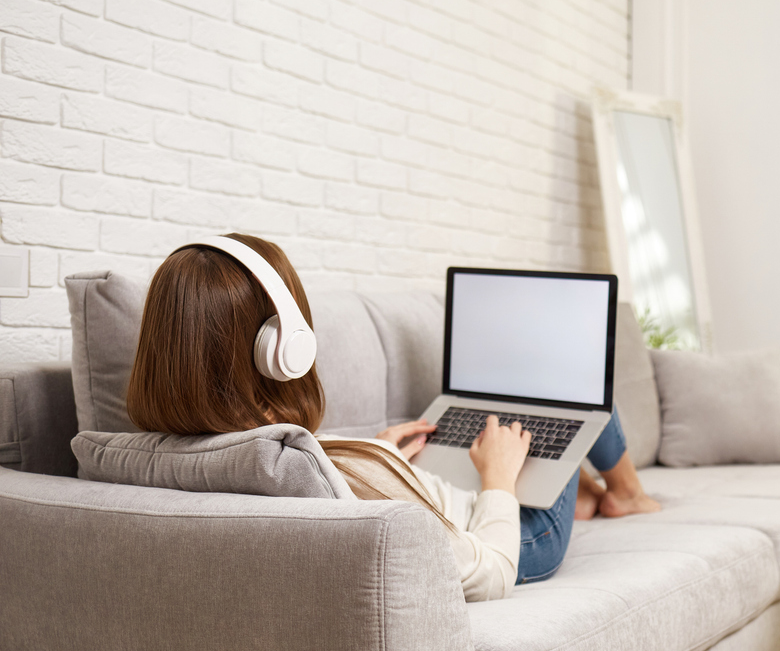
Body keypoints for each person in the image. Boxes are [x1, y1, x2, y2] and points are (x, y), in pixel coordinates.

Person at [126, 233, 658, 602]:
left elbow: (318, 470)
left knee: (538, 413)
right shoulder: (317, 477)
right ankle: (623, 492)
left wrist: (375, 453)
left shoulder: (200, 455)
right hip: (507, 537)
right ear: (284, 350)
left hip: (428, 489)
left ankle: (580, 488)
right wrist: (499, 477)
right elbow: (492, 569)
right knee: (580, 400)